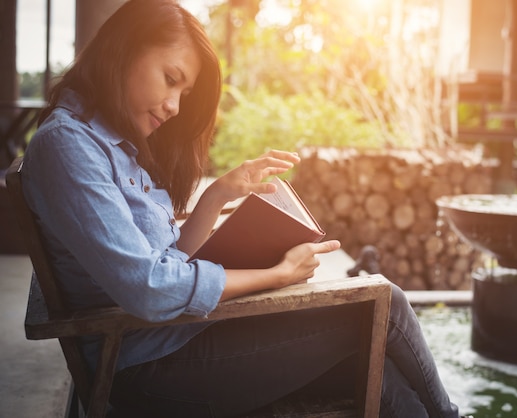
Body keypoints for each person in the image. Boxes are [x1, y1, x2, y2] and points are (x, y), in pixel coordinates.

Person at [21, 0, 462, 416]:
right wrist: (277, 276)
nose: (175, 107)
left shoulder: (113, 147)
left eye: (184, 92)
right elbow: (150, 287)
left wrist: (217, 196)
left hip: (172, 340)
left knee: (377, 372)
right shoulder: (69, 146)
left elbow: (169, 260)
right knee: (384, 304)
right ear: (123, 51)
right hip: (145, 367)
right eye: (171, 78)